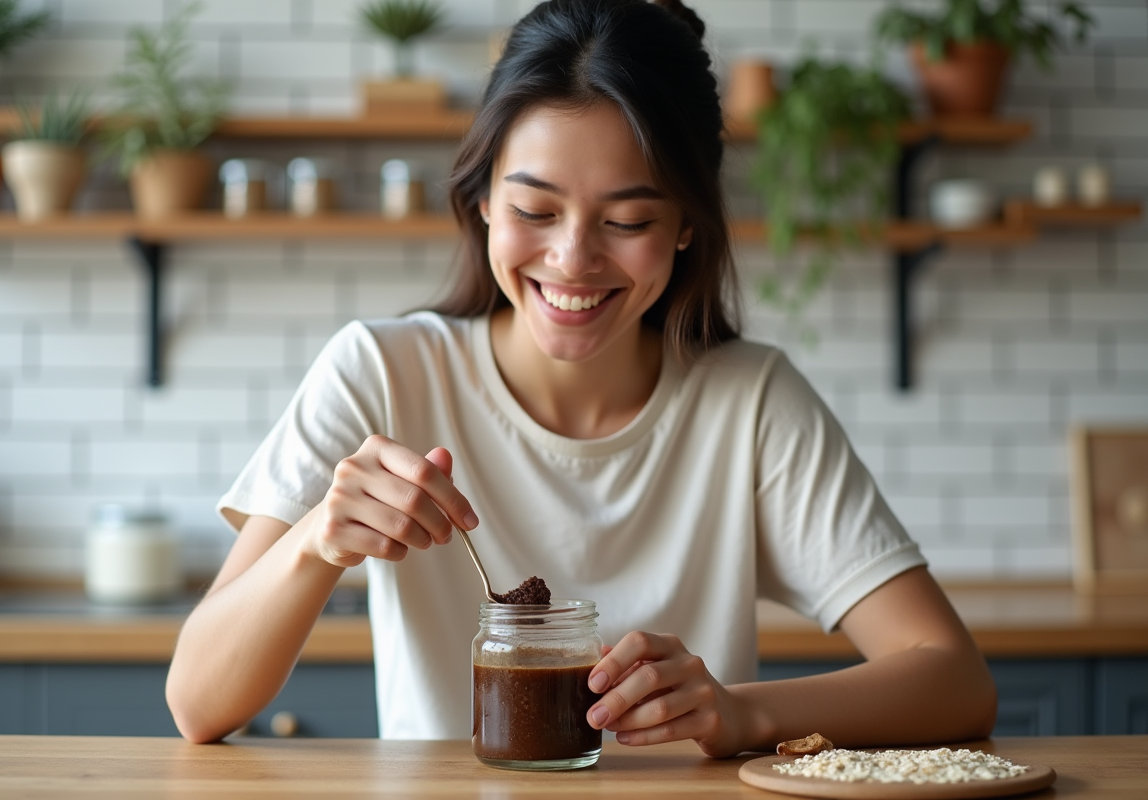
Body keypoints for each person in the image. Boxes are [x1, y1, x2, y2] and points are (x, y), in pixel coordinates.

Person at [166, 0, 997, 755]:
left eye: (628, 220)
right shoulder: (381, 372)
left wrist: (742, 712)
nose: (572, 259)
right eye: (533, 211)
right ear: (483, 198)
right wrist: (316, 540)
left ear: (684, 228)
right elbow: (198, 704)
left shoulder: (751, 402)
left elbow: (955, 680)